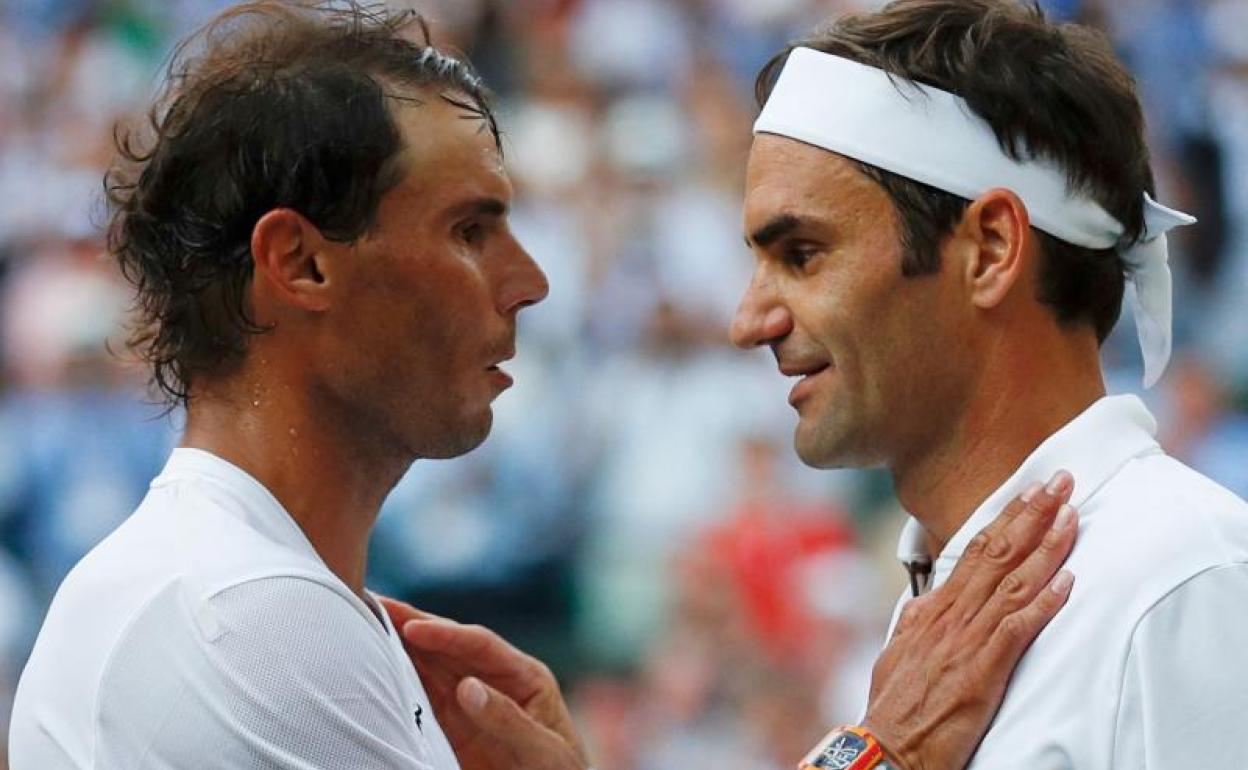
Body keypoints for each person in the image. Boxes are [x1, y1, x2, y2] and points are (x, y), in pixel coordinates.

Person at [11, 3, 1075, 770]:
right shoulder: (238, 610)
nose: (530, 282)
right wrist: (880, 753)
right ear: (301, 263)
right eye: (471, 229)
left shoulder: (233, 586)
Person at [730, 0, 1248, 767]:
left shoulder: (1185, 582)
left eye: (803, 253)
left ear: (992, 249)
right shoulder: (934, 611)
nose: (749, 320)